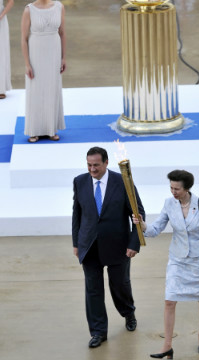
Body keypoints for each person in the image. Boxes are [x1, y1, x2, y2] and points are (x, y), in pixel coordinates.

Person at [132, 169, 199, 359]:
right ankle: (167, 345)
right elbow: (155, 229)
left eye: (177, 189)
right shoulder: (169, 203)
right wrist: (142, 224)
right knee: (169, 300)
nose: (173, 192)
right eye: (171, 187)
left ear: (187, 188)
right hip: (177, 259)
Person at [72, 146, 145, 348]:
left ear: (106, 163)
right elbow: (77, 214)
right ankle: (98, 332)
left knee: (119, 285)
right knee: (93, 291)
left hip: (118, 246)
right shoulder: (79, 182)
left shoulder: (122, 182)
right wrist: (76, 243)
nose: (92, 169)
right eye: (89, 165)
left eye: (96, 165)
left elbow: (138, 214)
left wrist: (134, 243)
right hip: (89, 246)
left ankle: (128, 313)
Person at [21, 0, 66, 143]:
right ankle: (34, 130)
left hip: (54, 51)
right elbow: (23, 38)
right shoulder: (29, 10)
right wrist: (27, 63)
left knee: (52, 88)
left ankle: (50, 128)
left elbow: (62, 33)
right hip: (36, 53)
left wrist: (63, 57)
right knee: (36, 89)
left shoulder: (59, 7)